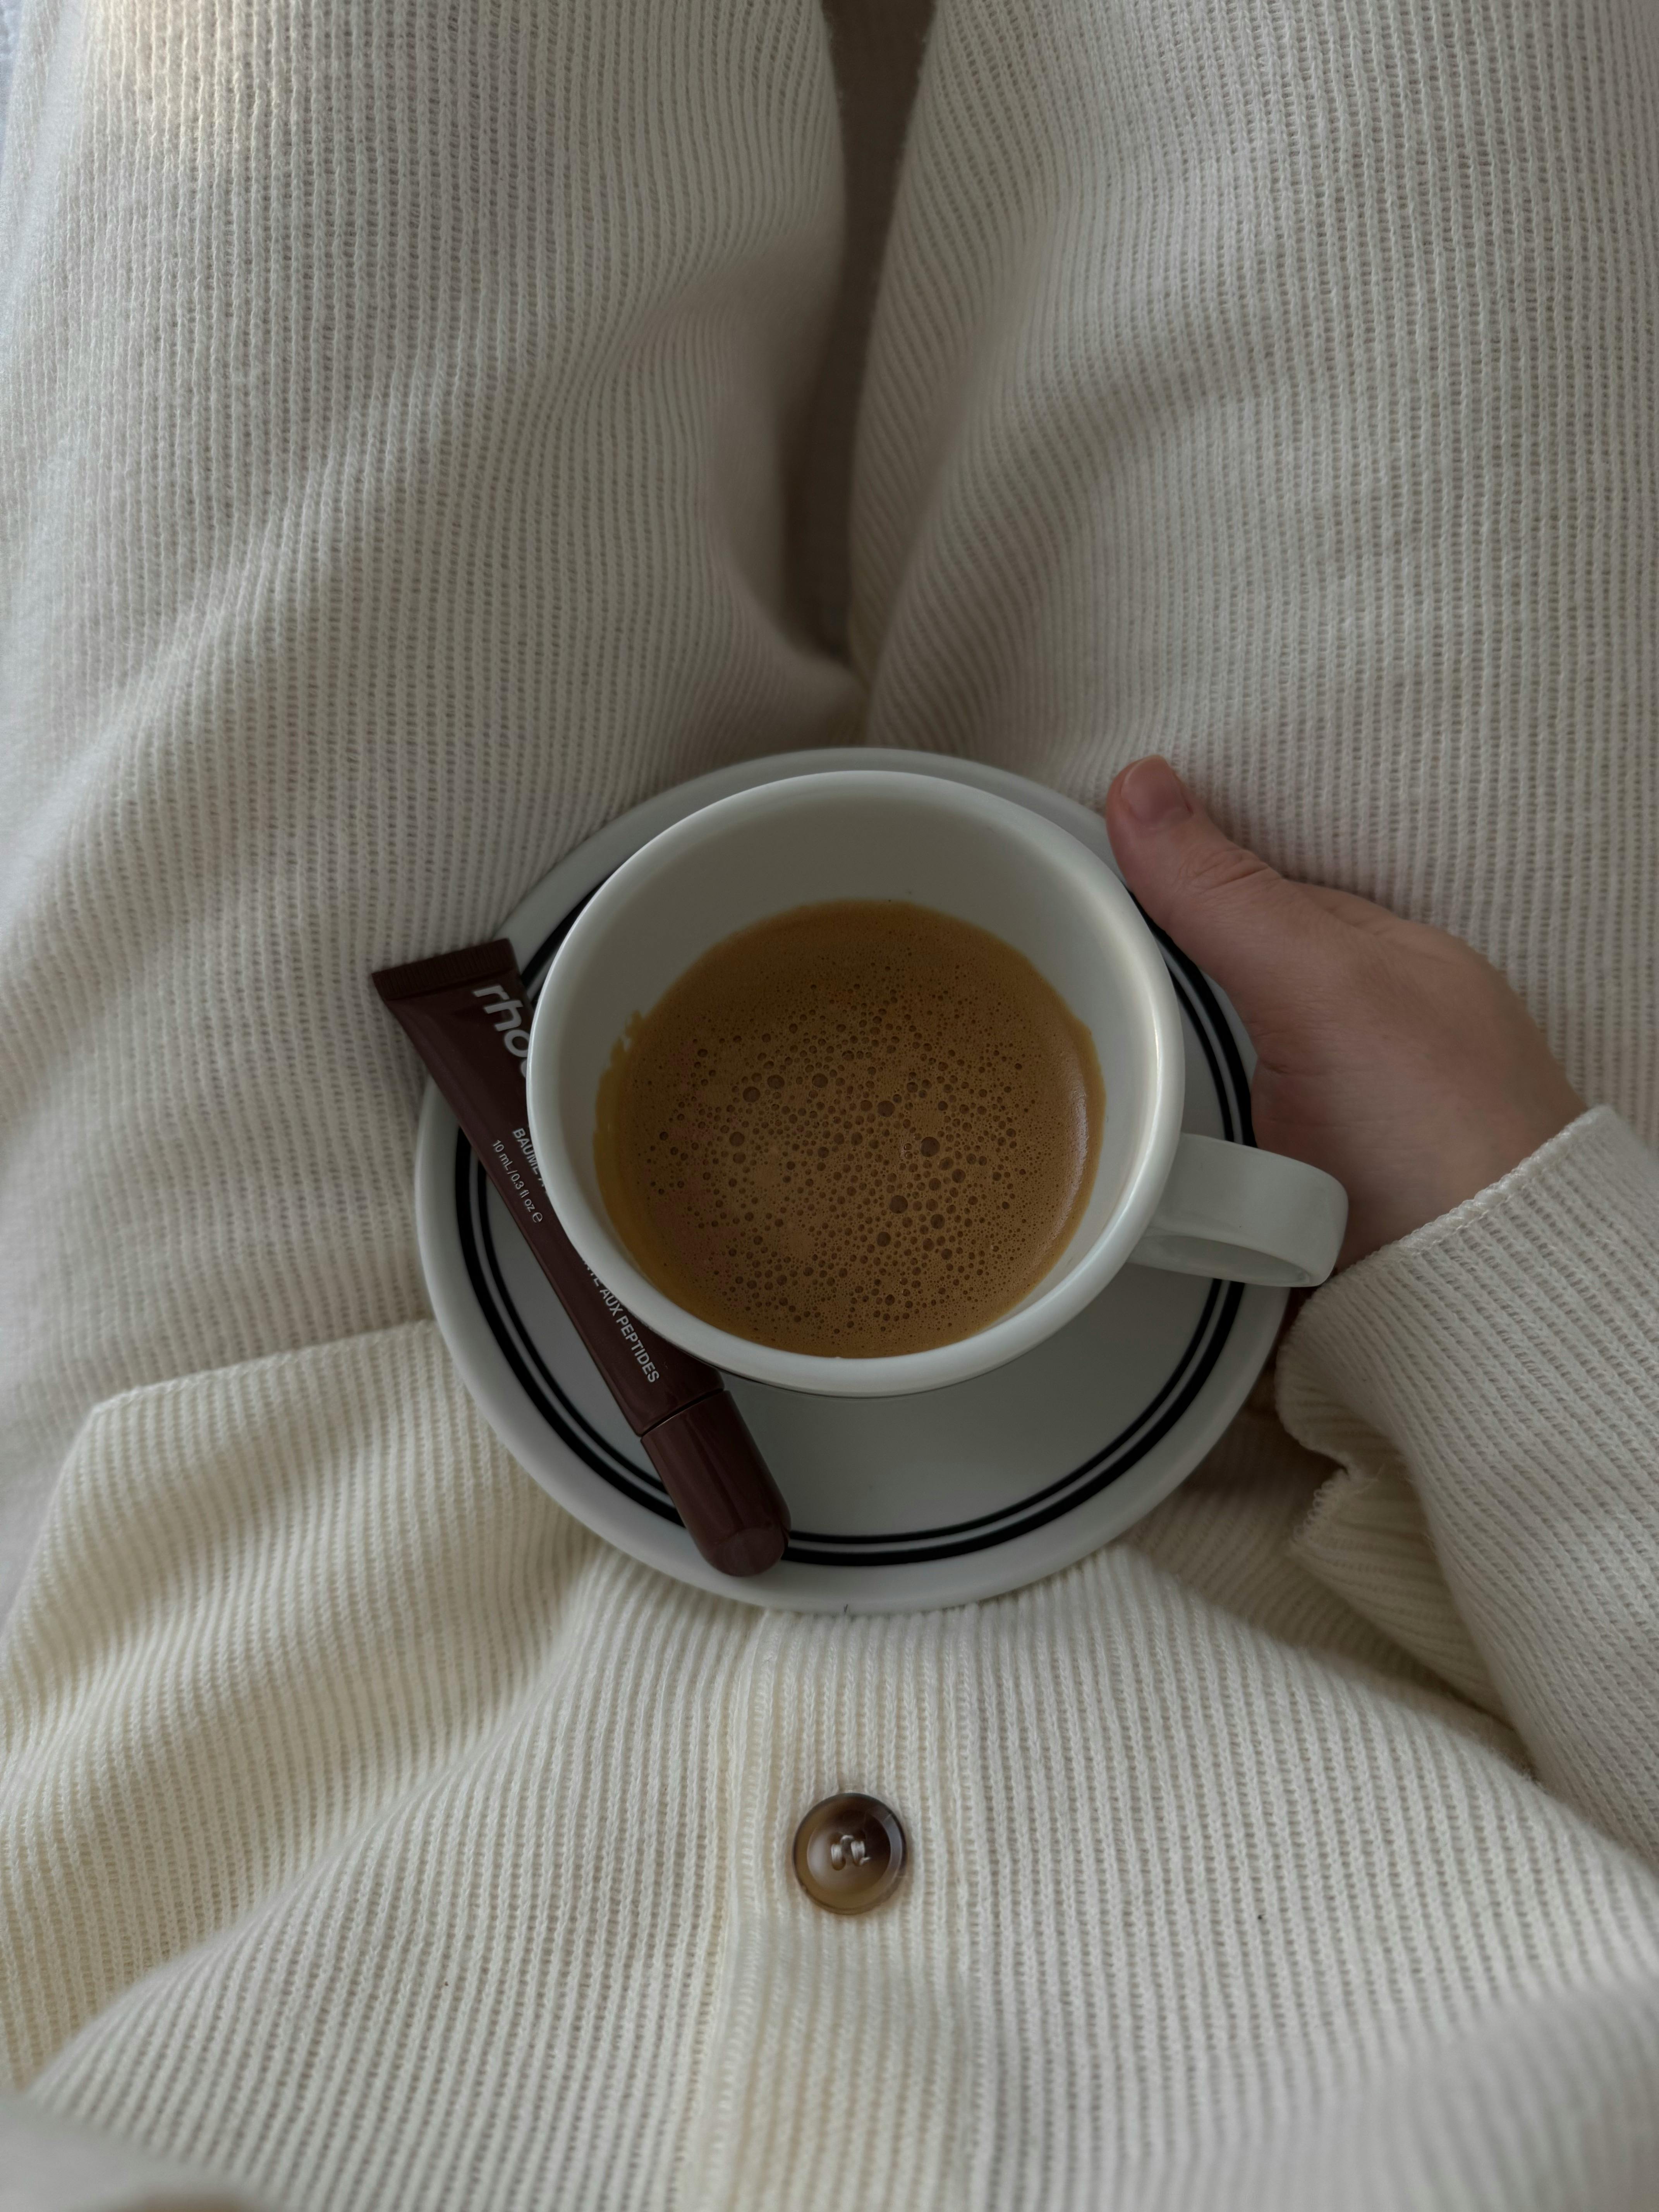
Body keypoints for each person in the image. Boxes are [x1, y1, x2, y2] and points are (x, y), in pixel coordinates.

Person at [0, 0, 1655, 2204]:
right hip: (1406, 1511)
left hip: (261, 1496)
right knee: (1414, 80)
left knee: (362, 82)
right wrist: (1515, 1244)